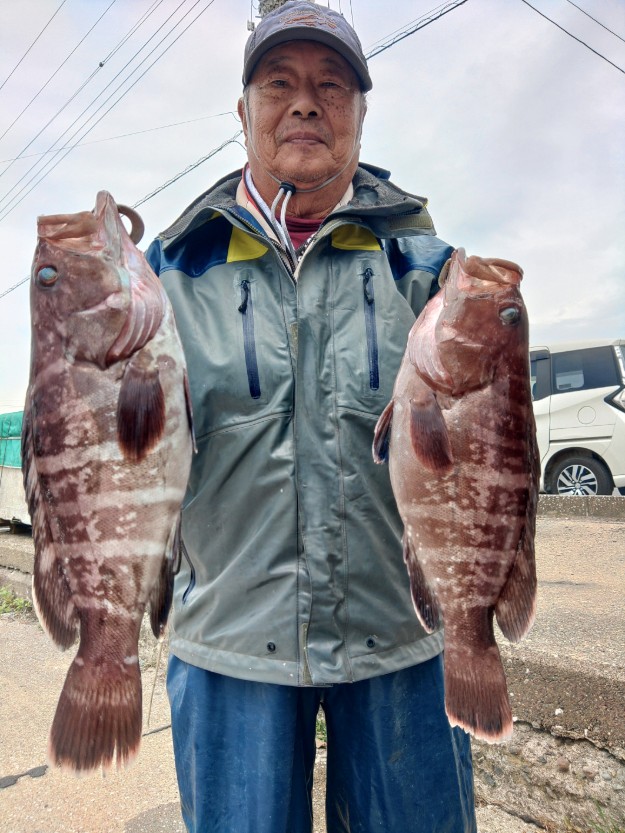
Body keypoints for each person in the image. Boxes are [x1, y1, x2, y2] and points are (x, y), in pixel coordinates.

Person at [146, 2, 477, 831]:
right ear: (243, 111)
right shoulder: (163, 276)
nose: (305, 102)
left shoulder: (430, 273)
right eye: (279, 83)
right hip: (229, 643)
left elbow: (482, 464)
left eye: (331, 85)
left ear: (360, 113)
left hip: (403, 636)